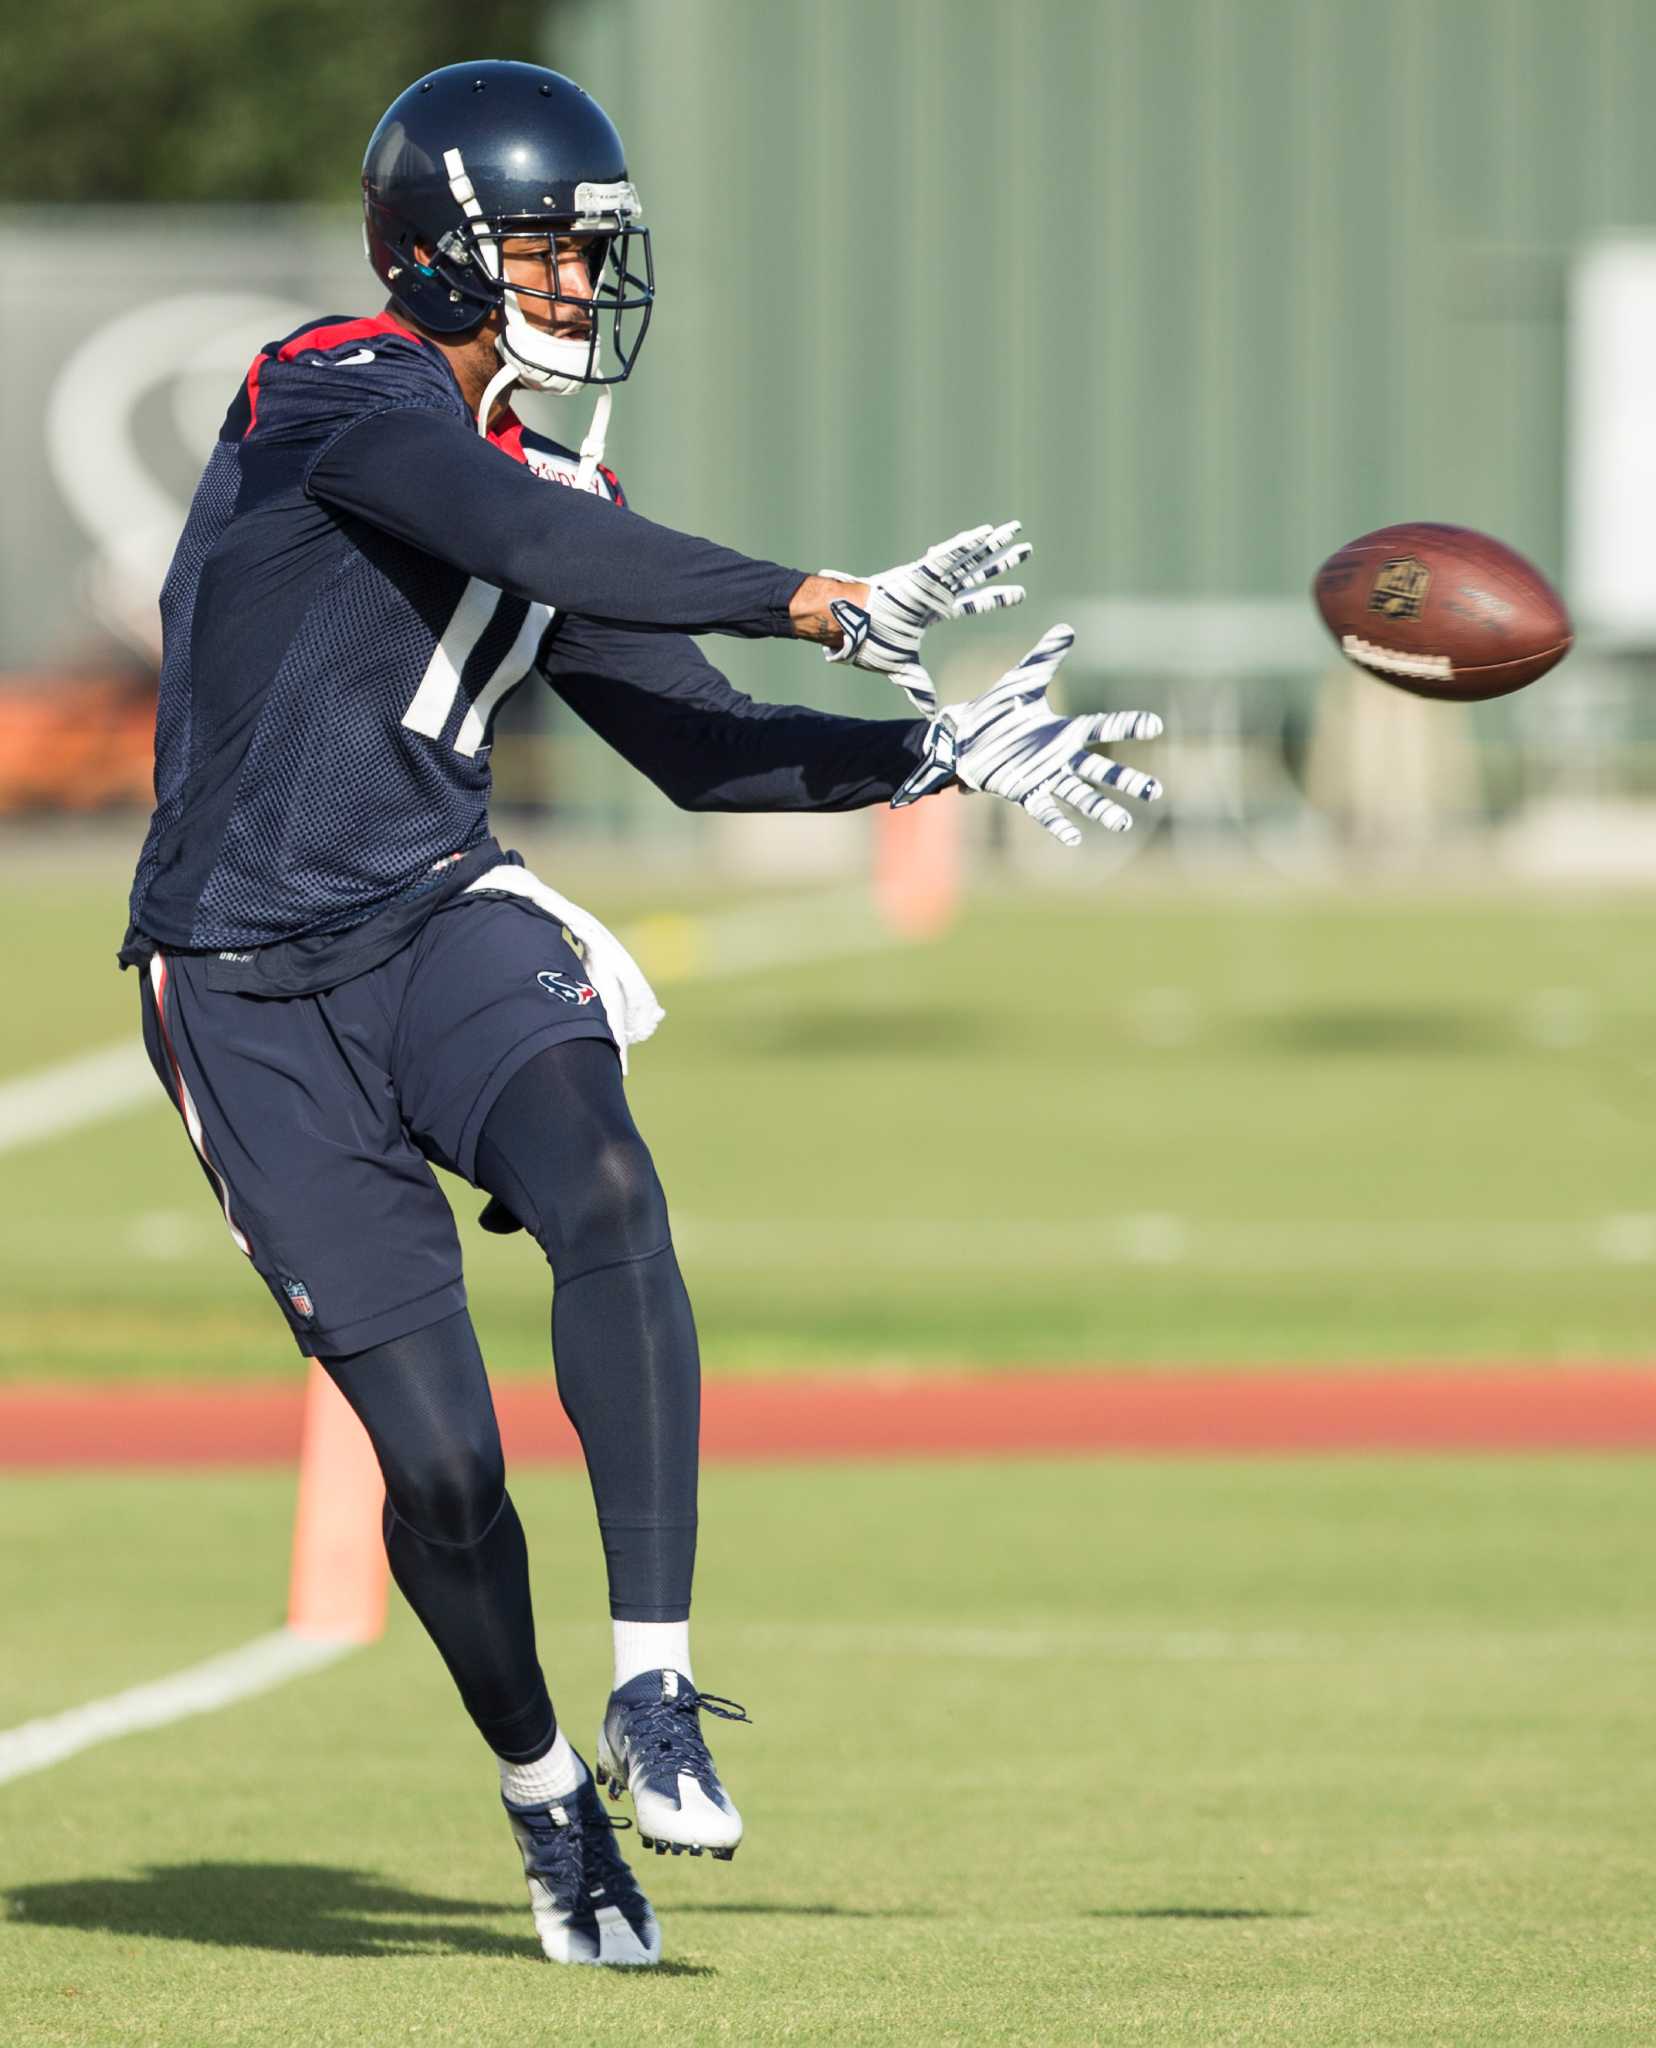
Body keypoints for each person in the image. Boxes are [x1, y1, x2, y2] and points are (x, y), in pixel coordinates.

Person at [120, 59, 1163, 1968]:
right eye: (551, 250)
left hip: (438, 915)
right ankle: (542, 1799)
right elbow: (517, 540)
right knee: (434, 1467)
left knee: (603, 1176)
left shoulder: (560, 484)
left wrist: (938, 751)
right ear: (442, 253)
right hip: (246, 979)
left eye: (594, 254)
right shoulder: (326, 389)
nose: (588, 289)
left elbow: (697, 749)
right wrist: (820, 595)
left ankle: (659, 1682)